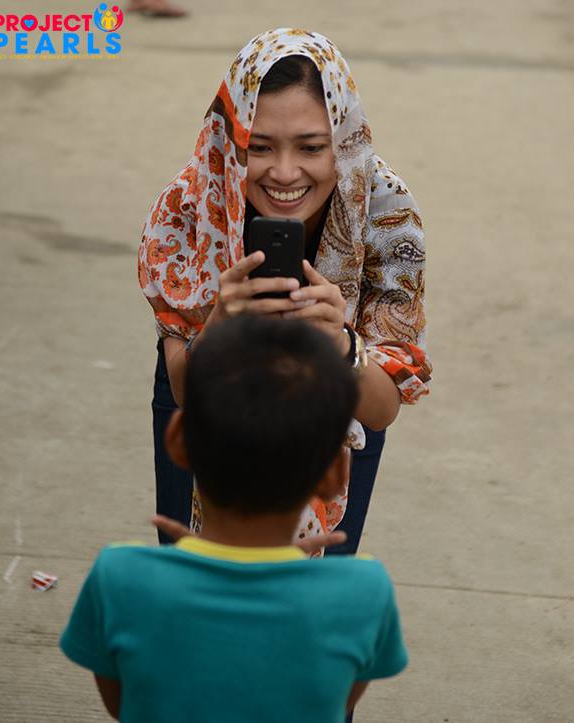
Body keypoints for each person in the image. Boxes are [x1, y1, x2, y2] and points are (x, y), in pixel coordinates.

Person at [138, 28, 432, 552]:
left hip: (341, 405)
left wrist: (341, 345)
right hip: (208, 404)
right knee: (192, 575)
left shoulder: (387, 212)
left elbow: (381, 409)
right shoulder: (189, 207)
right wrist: (218, 331)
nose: (284, 173)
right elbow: (184, 389)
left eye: (311, 147)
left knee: (323, 590)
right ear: (230, 140)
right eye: (259, 147)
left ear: (343, 141)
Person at [59, 315, 408, 722]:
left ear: (178, 440)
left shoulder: (119, 578)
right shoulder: (362, 594)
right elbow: (336, 703)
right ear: (337, 473)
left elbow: (124, 705)